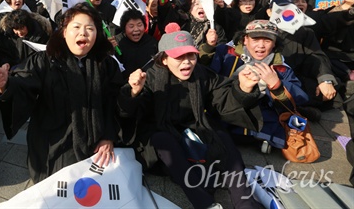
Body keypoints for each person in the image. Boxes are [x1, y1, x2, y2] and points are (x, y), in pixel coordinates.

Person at [118, 24, 262, 209]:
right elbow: (127, 114)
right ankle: (205, 203)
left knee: (222, 137)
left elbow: (222, 101)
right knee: (164, 141)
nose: (187, 62)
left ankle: (245, 201)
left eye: (191, 55)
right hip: (158, 131)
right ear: (164, 59)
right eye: (179, 57)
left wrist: (243, 89)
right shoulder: (150, 78)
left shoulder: (202, 74)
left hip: (194, 126)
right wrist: (133, 93)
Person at [0, 3, 124, 183]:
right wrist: (4, 85)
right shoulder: (43, 61)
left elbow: (113, 102)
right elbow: (23, 84)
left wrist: (108, 136)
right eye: (76, 27)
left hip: (95, 143)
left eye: (90, 28)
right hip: (53, 143)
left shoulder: (106, 64)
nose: (83, 33)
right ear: (64, 31)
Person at [207, 20, 308, 150]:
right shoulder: (226, 53)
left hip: (258, 116)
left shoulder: (280, 68)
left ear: (274, 44)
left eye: (267, 41)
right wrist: (209, 47)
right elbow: (209, 77)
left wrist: (276, 85)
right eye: (255, 39)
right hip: (225, 107)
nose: (261, 46)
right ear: (245, 40)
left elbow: (299, 98)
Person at [114, 9, 158, 79]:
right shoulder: (117, 43)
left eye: (139, 25)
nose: (136, 29)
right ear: (124, 28)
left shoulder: (152, 42)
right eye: (131, 26)